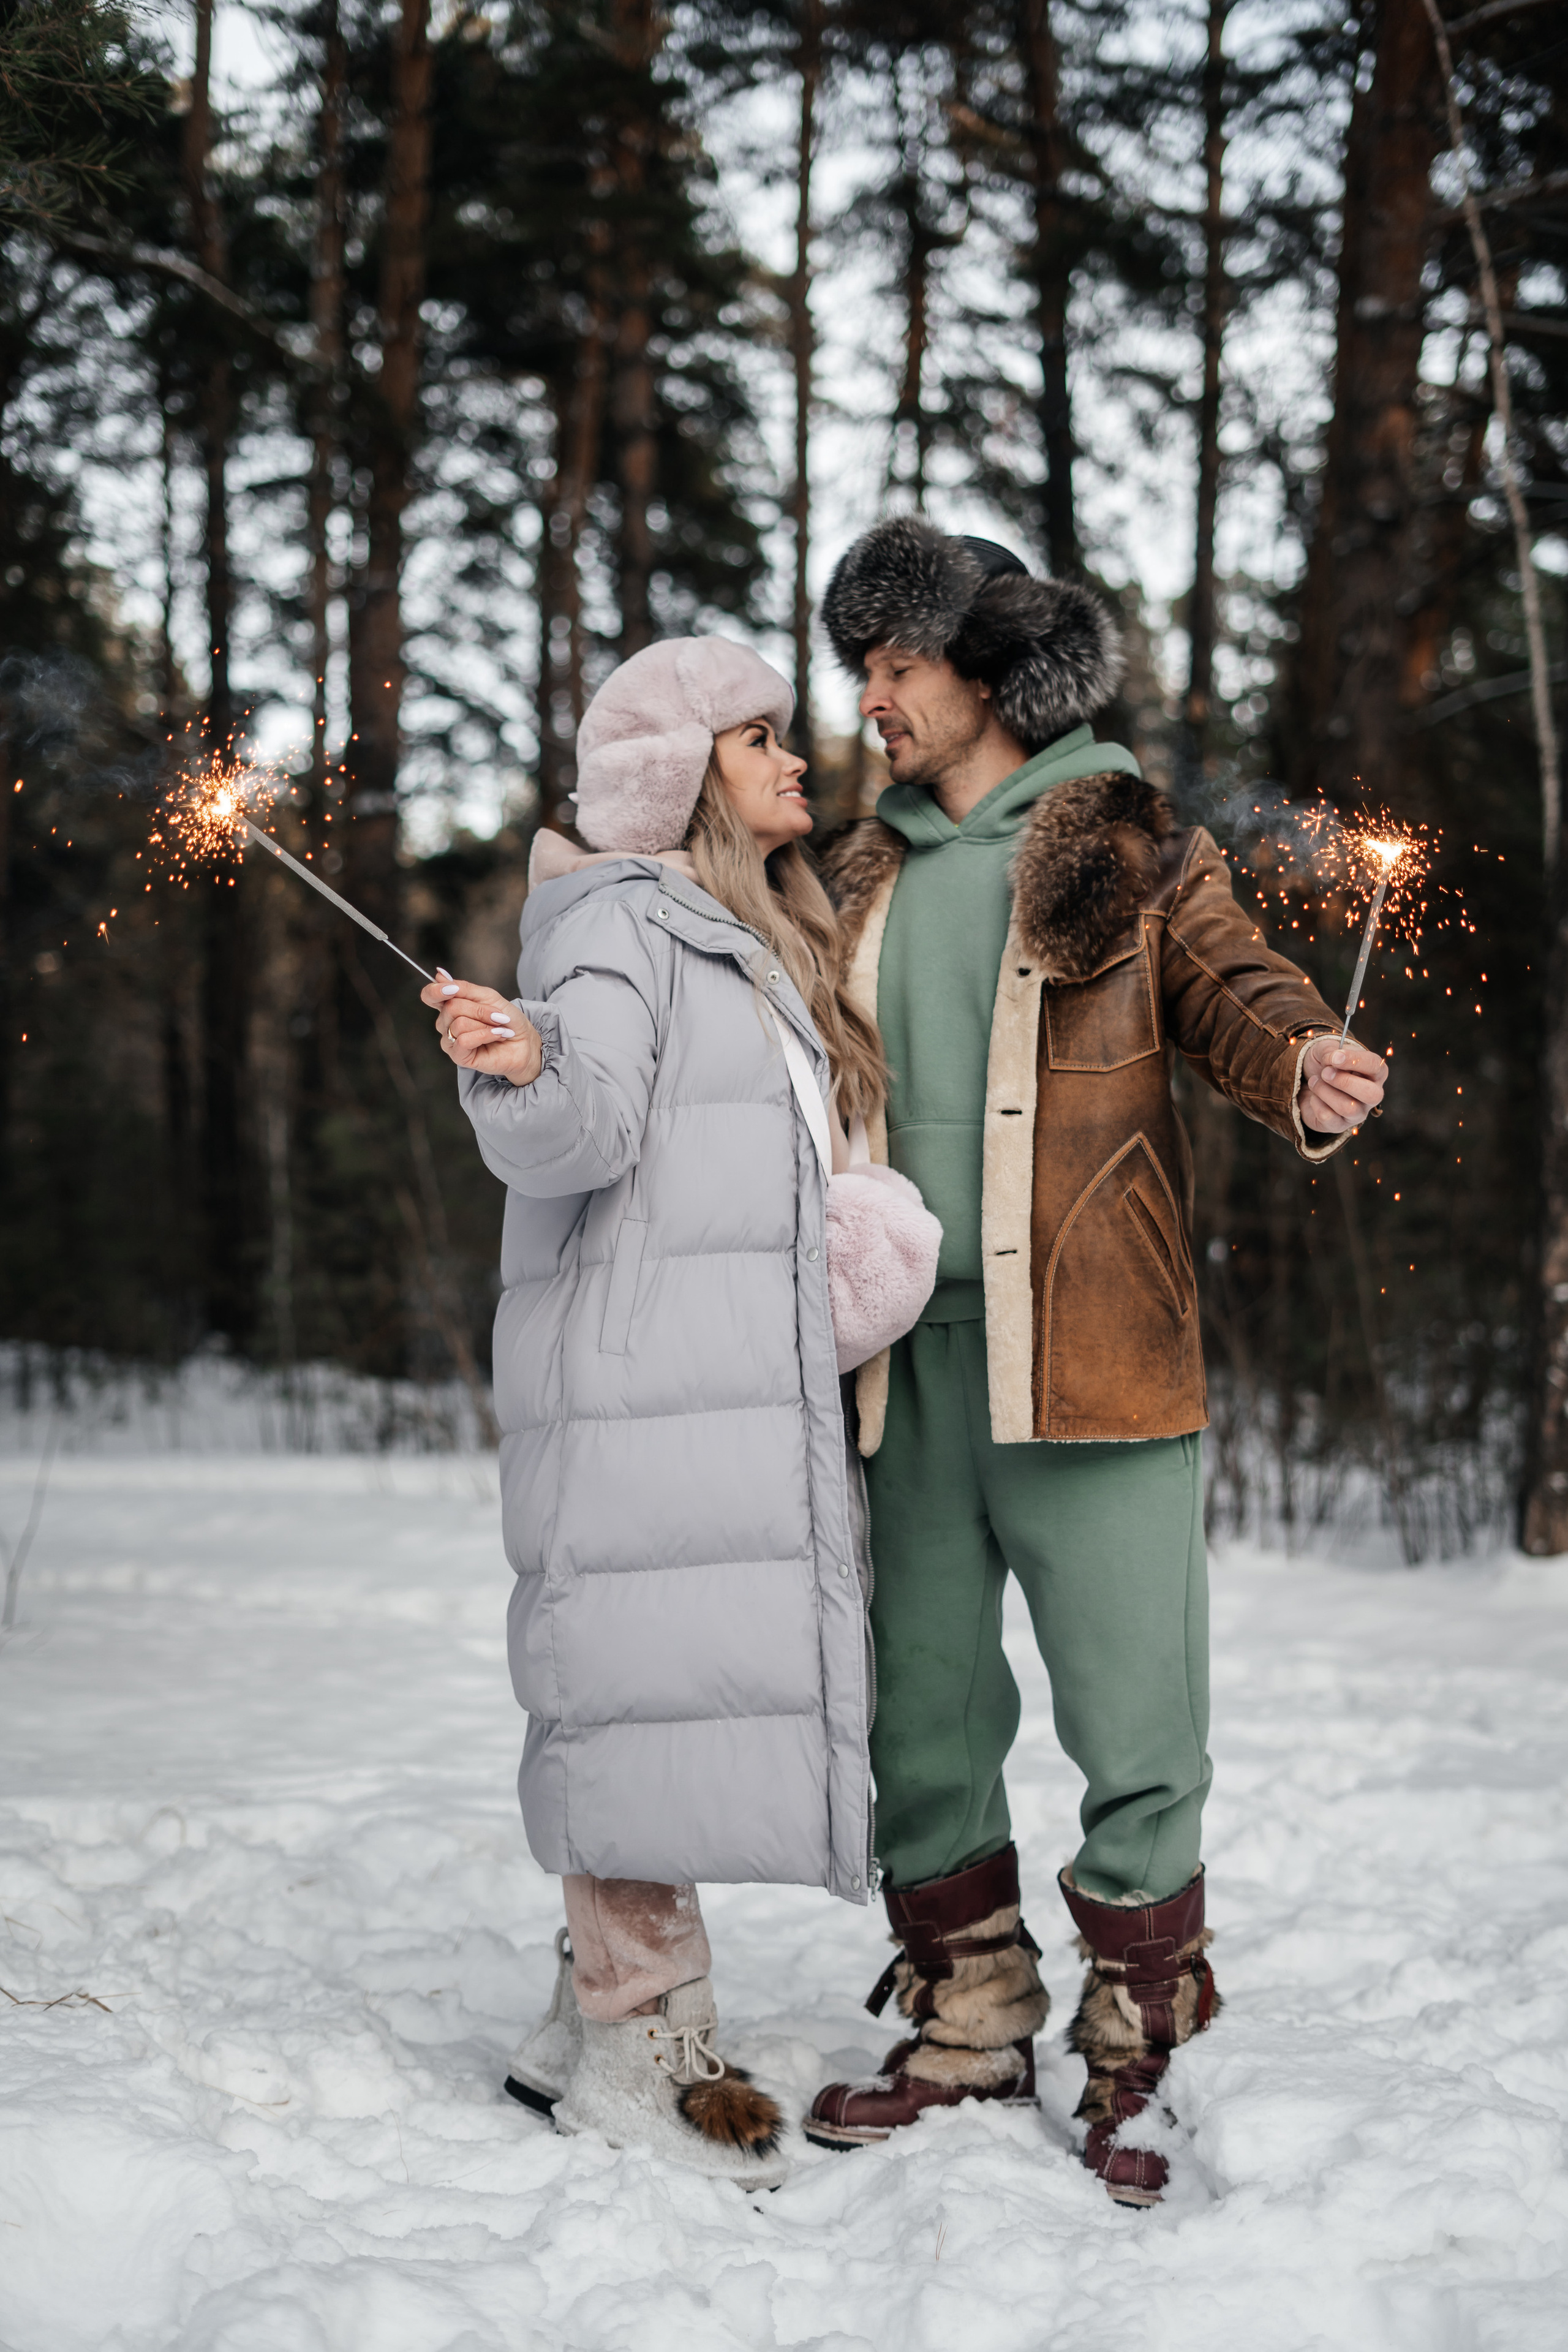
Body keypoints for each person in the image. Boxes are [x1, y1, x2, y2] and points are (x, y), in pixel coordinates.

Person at [802, 518, 1389, 2204]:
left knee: (1138, 1715)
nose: (873, 699)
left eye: (895, 663)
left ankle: (1147, 2041)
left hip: (1098, 1356)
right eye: (861, 668)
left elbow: (1233, 989)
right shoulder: (853, 869)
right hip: (894, 1372)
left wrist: (1305, 1065)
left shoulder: (1122, 840)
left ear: (985, 668)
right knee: (920, 1713)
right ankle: (968, 2020)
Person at [423, 635, 933, 2192]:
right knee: (636, 1692)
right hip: (642, 1385)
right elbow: (580, 1122)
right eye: (757, 736)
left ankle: (586, 2018)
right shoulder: (612, 924)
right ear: (679, 768)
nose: (795, 758)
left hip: (712, 1385)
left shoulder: (747, 928)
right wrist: (519, 1059)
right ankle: (645, 2035)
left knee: (656, 1691)